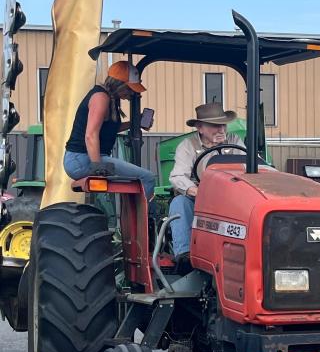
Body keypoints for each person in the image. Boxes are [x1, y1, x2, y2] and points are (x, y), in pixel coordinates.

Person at [63, 60, 156, 198]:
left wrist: (135, 123)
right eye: (130, 88)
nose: (131, 93)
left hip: (83, 158)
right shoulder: (101, 97)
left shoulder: (110, 98)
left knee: (136, 179)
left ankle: (133, 215)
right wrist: (97, 168)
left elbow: (109, 129)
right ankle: (143, 219)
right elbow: (91, 134)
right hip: (82, 159)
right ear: (120, 85)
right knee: (147, 178)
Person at [168, 102, 244, 266]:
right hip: (199, 197)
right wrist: (196, 191)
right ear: (200, 128)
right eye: (214, 126)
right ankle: (184, 254)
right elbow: (177, 175)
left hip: (230, 196)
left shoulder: (235, 141)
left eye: (222, 125)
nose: (221, 130)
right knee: (179, 203)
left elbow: (250, 167)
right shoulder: (188, 146)